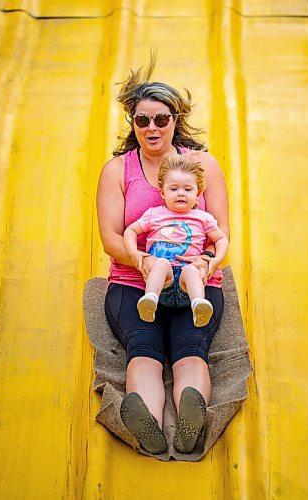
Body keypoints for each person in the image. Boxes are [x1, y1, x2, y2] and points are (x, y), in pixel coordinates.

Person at [96, 57, 229, 455]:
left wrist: (205, 262)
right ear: (132, 123)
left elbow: (221, 229)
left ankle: (189, 421)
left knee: (190, 347)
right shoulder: (117, 170)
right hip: (136, 282)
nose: (151, 128)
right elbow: (110, 238)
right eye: (142, 120)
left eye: (160, 119)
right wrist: (147, 264)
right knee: (145, 349)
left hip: (195, 284)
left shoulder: (204, 165)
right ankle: (150, 423)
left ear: (175, 120)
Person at [124, 154, 229, 328]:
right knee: (162, 263)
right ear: (162, 192)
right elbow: (131, 231)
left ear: (198, 194)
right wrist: (135, 254)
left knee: (191, 270)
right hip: (162, 282)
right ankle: (150, 300)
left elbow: (221, 239)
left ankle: (198, 305)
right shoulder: (154, 214)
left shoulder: (203, 218)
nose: (181, 193)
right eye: (174, 189)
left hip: (187, 286)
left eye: (188, 189)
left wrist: (215, 261)